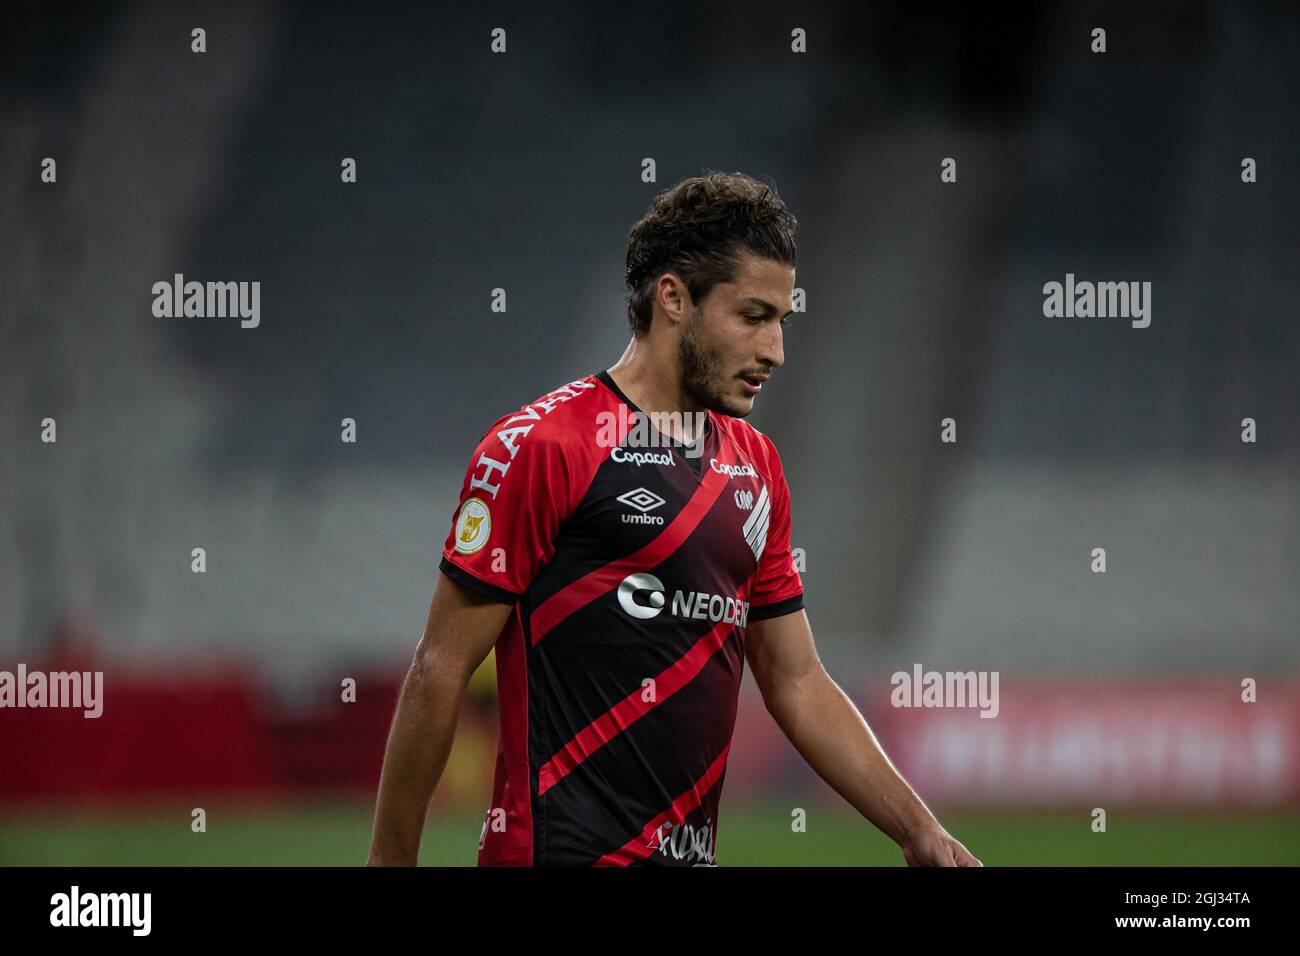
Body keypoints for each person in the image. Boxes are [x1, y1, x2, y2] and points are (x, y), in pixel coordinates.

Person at [368, 171, 981, 867]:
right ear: (673, 299)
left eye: (783, 322)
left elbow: (797, 680)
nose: (775, 350)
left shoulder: (757, 468)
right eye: (753, 317)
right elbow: (439, 666)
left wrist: (918, 830)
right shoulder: (546, 446)